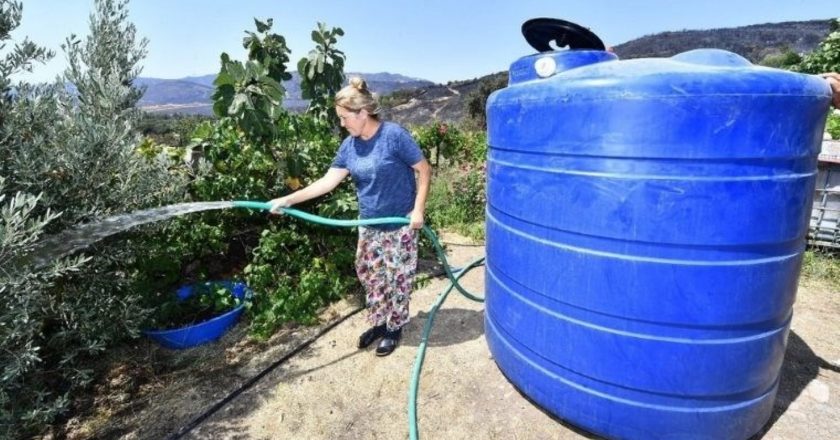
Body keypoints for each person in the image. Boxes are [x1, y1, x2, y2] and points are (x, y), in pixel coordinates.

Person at [268, 77, 432, 357]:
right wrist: (288, 199)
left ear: (363, 113)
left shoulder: (393, 136)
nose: (342, 124)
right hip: (367, 224)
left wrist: (418, 209)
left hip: (399, 225)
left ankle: (394, 328)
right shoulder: (349, 146)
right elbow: (327, 182)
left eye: (345, 118)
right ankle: (379, 323)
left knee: (396, 278)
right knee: (370, 275)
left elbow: (424, 170)